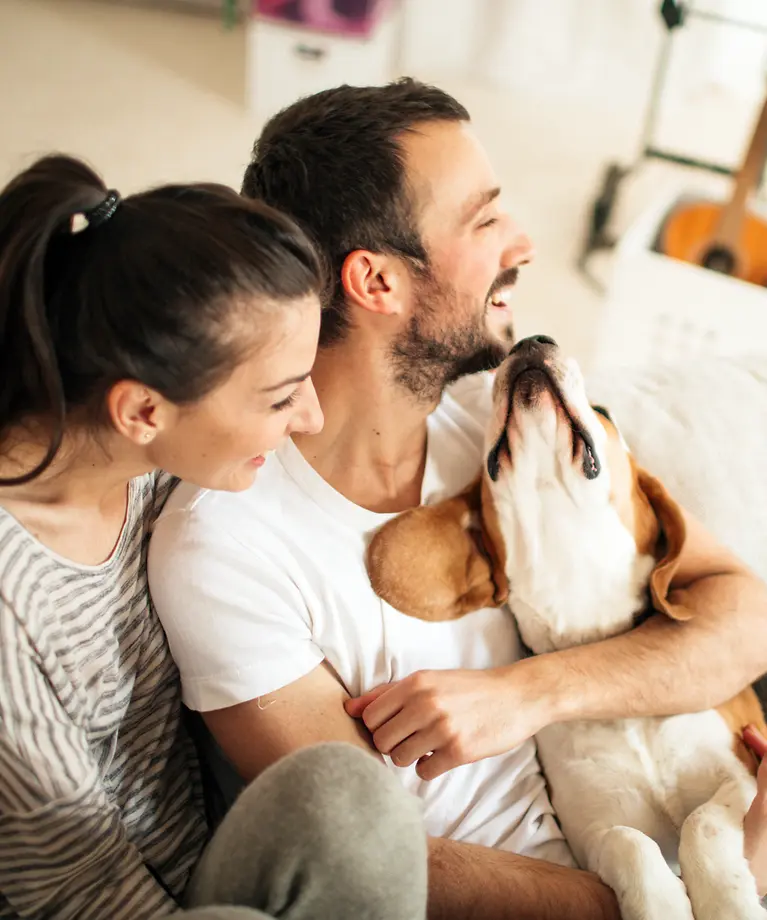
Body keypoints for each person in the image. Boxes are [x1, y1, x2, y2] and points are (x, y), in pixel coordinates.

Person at [148, 79, 767, 919]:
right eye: (484, 221)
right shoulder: (224, 547)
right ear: (376, 281)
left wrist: (530, 693)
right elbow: (380, 862)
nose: (524, 243)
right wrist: (666, 895)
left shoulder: (495, 409)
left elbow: (743, 616)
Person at [0, 154, 428, 920]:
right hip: (98, 901)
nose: (310, 418)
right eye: (278, 399)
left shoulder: (149, 464)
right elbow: (76, 890)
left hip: (207, 847)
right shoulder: (12, 601)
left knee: (350, 796)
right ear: (142, 412)